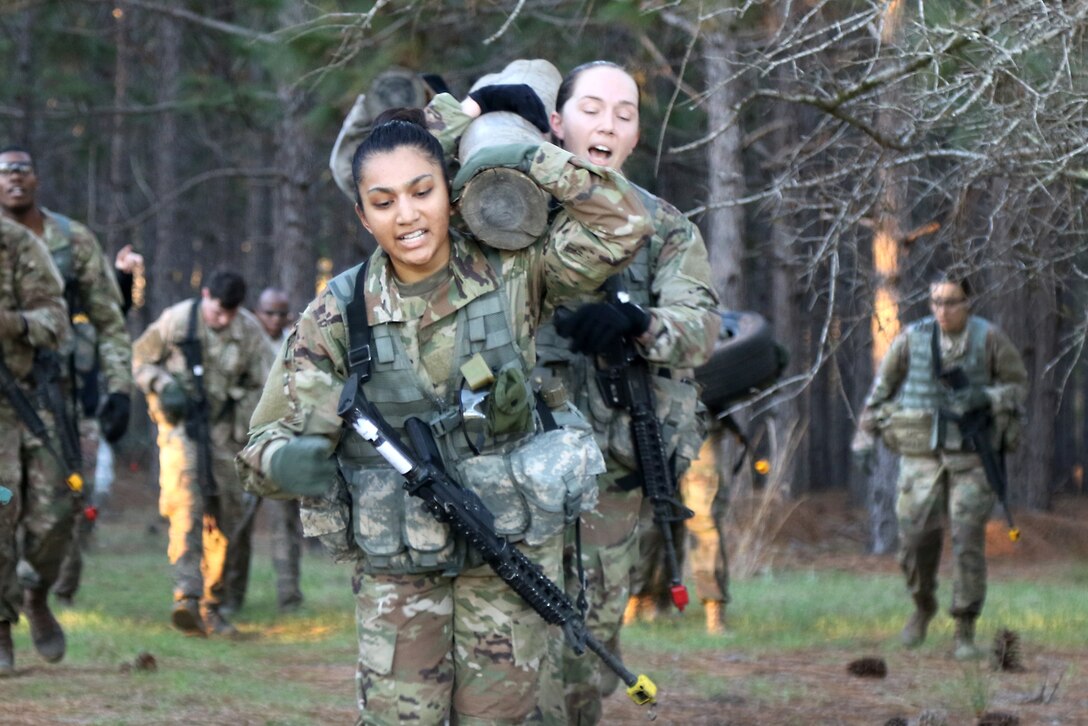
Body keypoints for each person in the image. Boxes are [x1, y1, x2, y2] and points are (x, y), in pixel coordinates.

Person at [238, 95, 653, 724]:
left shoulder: (514, 267)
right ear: (362, 215)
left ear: (451, 194)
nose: (407, 215)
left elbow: (623, 223)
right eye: (384, 202)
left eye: (421, 191)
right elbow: (260, 445)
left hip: (507, 557)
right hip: (400, 575)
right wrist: (288, 461)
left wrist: (528, 156)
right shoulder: (338, 313)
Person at [533, 61, 720, 724]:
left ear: (637, 135)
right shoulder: (509, 207)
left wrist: (642, 324)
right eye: (591, 107)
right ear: (556, 122)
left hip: (607, 479)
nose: (607, 123)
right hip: (503, 462)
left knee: (584, 648)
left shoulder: (665, 228)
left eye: (624, 112)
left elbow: (700, 330)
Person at [851, 272, 1027, 660]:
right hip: (921, 457)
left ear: (968, 303)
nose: (942, 310)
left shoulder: (989, 339)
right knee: (914, 538)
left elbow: (1017, 387)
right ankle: (922, 604)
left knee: (967, 539)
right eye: (936, 302)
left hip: (971, 457)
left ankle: (965, 627)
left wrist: (984, 396)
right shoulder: (912, 339)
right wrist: (863, 437)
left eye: (951, 302)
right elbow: (880, 392)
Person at [0, 145, 134, 607]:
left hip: (55, 394)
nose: (14, 178)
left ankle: (40, 587)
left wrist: (119, 388)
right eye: (5, 171)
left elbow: (110, 321)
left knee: (65, 504)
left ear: (37, 178)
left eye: (23, 169)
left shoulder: (70, 239)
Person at [132, 270, 271, 636]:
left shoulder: (250, 332)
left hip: (227, 436)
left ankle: (213, 604)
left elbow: (270, 384)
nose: (222, 319)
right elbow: (141, 359)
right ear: (206, 294)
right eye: (217, 310)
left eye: (230, 312)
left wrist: (248, 425)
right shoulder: (178, 320)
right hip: (183, 433)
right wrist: (162, 385)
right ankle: (187, 597)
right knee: (188, 510)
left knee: (227, 519)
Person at [0, 215, 72, 673]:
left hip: (29, 401)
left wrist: (9, 323)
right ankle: (2, 628)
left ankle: (37, 594)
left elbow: (56, 323)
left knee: (56, 512)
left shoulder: (18, 245)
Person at [221, 287, 305, 615]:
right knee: (237, 524)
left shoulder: (299, 342)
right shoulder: (246, 341)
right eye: (268, 312)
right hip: (244, 444)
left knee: (284, 525)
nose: (274, 319)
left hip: (283, 445)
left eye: (280, 313)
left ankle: (289, 598)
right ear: (258, 313)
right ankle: (230, 596)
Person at [626, 424, 732, 635]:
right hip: (650, 419)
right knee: (650, 517)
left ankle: (714, 609)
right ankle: (639, 599)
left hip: (700, 421)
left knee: (704, 520)